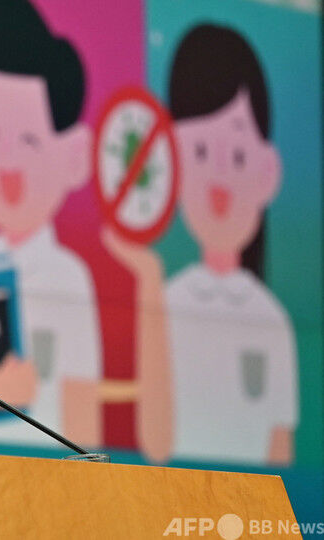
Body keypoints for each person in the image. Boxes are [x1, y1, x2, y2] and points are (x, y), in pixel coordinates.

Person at [0, 0, 102, 447]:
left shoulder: (69, 278)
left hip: (52, 474)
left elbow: (84, 420)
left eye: (28, 139)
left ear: (73, 155)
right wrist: (3, 389)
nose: (7, 162)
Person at [165, 24, 297, 464]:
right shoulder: (165, 304)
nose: (219, 180)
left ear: (267, 171)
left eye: (238, 156)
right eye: (200, 153)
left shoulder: (272, 320)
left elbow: (281, 455)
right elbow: (154, 441)